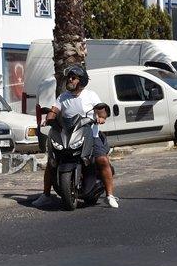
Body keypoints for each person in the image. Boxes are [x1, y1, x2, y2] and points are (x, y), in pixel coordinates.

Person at [31, 65, 119, 209]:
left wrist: (101, 117)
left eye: (74, 77)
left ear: (82, 81)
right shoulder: (63, 97)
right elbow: (54, 110)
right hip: (68, 135)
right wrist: (49, 118)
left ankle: (110, 195)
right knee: (52, 162)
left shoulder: (90, 95)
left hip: (90, 133)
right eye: (69, 77)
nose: (70, 80)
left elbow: (101, 110)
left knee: (102, 160)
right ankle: (46, 195)